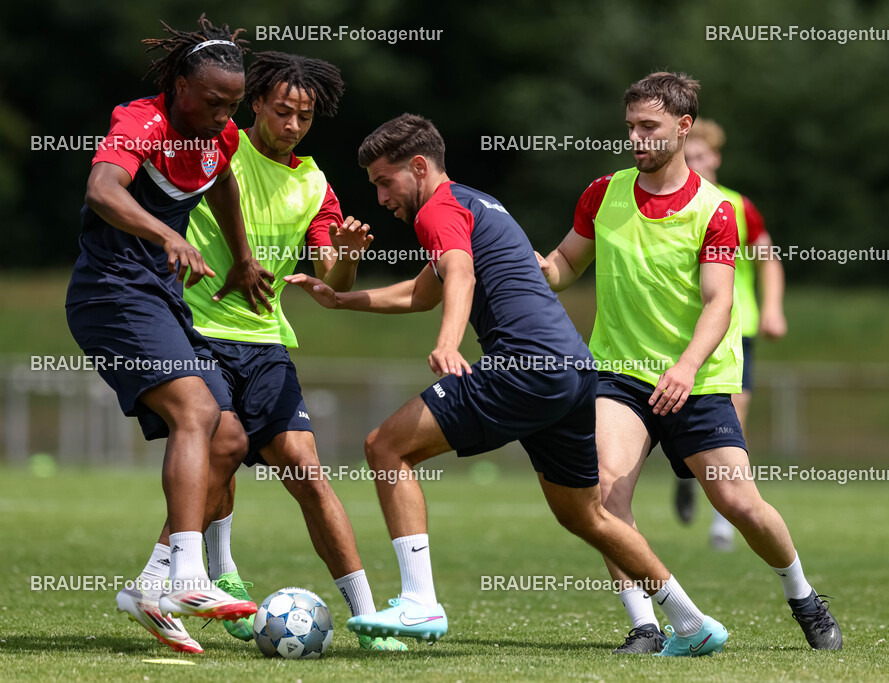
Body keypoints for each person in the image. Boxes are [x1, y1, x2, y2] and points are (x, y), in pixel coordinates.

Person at [285, 113, 730, 657]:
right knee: (583, 513)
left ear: (419, 167)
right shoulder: (476, 203)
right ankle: (691, 623)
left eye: (385, 181)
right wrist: (342, 298)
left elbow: (461, 273)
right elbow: (425, 291)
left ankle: (419, 598)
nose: (380, 197)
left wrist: (449, 343)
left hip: (524, 367)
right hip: (572, 371)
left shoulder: (439, 211)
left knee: (386, 446)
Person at [536, 72, 841, 654]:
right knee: (603, 496)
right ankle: (646, 624)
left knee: (738, 503)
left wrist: (684, 367)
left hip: (697, 379)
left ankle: (803, 596)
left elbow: (720, 301)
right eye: (630, 128)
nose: (637, 139)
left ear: (682, 126)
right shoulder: (602, 193)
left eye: (649, 127)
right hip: (618, 375)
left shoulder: (717, 210)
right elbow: (565, 264)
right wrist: (533, 267)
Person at [181, 50, 405, 652]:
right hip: (199, 331)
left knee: (308, 474)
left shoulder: (314, 182)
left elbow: (335, 276)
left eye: (304, 116)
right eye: (283, 111)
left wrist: (350, 253)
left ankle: (368, 619)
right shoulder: (219, 142)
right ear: (256, 103)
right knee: (221, 450)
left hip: (268, 343)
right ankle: (197, 577)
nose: (293, 125)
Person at [65, 16, 267, 654]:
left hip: (156, 296)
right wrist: (168, 234)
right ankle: (188, 576)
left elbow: (226, 179)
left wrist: (241, 256)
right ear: (180, 86)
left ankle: (151, 586)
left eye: (232, 105)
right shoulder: (141, 123)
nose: (221, 115)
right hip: (110, 293)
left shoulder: (220, 136)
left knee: (229, 437)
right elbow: (102, 190)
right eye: (211, 101)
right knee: (197, 409)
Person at [674, 118, 787, 551]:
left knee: (731, 422)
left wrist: (773, 308)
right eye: (689, 157)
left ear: (716, 158)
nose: (696, 164)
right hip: (686, 330)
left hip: (737, 331)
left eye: (702, 156)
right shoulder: (674, 205)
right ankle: (687, 472)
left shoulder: (738, 206)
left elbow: (769, 259)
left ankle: (724, 521)